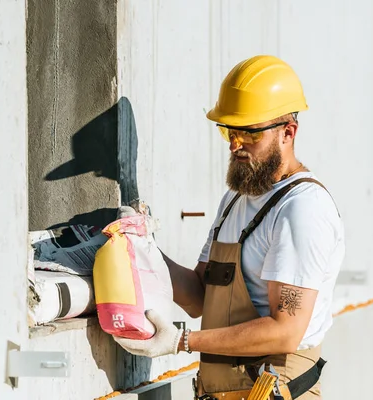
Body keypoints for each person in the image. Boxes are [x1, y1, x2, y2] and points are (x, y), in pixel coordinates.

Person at [114, 55, 344, 400]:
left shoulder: (301, 209)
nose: (235, 144)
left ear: (287, 133)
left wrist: (181, 341)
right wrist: (141, 248)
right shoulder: (236, 200)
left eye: (248, 133)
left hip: (274, 390)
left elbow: (285, 332)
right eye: (229, 131)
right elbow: (198, 298)